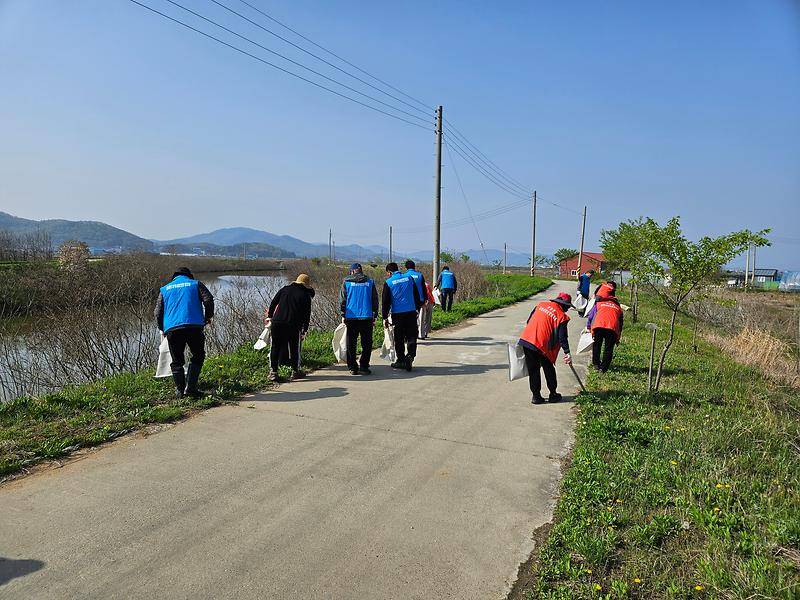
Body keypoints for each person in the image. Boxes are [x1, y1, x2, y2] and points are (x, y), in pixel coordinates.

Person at [154, 267, 214, 398]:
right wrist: (208, 317)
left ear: (174, 277)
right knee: (198, 355)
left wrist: (162, 328)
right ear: (189, 276)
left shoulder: (164, 289)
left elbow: (157, 312)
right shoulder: (195, 284)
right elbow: (208, 299)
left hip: (172, 329)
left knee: (176, 360)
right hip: (194, 326)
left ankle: (180, 391)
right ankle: (191, 387)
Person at [518, 291, 573, 404]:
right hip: (543, 346)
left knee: (533, 370)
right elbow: (562, 337)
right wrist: (567, 352)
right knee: (549, 369)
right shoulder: (562, 316)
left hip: (527, 340)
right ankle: (553, 394)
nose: (567, 309)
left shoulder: (540, 305)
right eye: (567, 307)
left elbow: (529, 321)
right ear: (564, 305)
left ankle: (536, 396)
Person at [266, 274, 315, 381]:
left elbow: (273, 303)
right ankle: (295, 372)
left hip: (277, 322)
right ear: (306, 285)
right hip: (293, 324)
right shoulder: (305, 295)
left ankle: (273, 372)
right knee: (294, 348)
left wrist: (270, 316)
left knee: (275, 347)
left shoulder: (284, 289)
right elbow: (306, 315)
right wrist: (304, 330)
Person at [382, 262, 423, 371]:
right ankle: (410, 356)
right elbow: (416, 295)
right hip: (410, 312)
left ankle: (400, 360)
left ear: (389, 273)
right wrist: (417, 309)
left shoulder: (389, 282)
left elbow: (386, 302)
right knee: (411, 336)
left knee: (399, 338)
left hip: (398, 315)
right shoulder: (409, 278)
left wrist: (385, 317)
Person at [339, 263, 379, 375]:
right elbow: (375, 300)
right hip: (367, 317)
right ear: (361, 271)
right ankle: (364, 366)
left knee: (351, 343)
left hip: (351, 318)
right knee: (367, 343)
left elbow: (342, 300)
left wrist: (343, 315)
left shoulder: (346, 282)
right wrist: (375, 316)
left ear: (352, 271)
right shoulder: (370, 282)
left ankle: (352, 367)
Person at [586, 285, 623, 373]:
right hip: (612, 328)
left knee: (597, 345)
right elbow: (620, 323)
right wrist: (618, 337)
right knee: (608, 348)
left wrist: (588, 327)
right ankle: (603, 368)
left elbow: (591, 316)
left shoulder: (599, 304)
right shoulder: (618, 308)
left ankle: (596, 364)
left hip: (598, 326)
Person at [403, 260, 431, 339]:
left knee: (408, 319)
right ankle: (421, 335)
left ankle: (408, 335)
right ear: (414, 267)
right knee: (421, 318)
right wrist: (425, 299)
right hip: (420, 300)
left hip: (409, 301)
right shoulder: (420, 275)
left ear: (406, 267)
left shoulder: (404, 276)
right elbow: (423, 288)